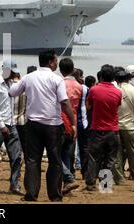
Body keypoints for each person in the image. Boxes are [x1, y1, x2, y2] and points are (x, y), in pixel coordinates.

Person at [9, 49, 75, 202]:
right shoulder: (56, 79)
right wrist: (72, 123)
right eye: (56, 61)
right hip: (53, 125)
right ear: (51, 62)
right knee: (55, 161)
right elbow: (64, 102)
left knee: (32, 160)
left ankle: (31, 194)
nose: (57, 63)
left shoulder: (28, 77)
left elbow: (12, 92)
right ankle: (55, 195)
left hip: (33, 125)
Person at [0, 59, 23, 195]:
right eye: (13, 72)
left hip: (11, 124)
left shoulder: (11, 85)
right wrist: (2, 125)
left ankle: (14, 185)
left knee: (16, 156)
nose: (15, 75)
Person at [85, 64, 122, 192]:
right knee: (110, 159)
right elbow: (117, 106)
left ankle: (91, 184)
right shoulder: (118, 92)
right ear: (113, 78)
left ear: (101, 76)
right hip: (113, 129)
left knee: (94, 157)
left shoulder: (94, 89)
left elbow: (88, 106)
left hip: (97, 129)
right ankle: (105, 185)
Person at [58, 58, 81, 194]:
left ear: (60, 70)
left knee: (55, 154)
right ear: (73, 69)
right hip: (73, 124)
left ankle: (68, 178)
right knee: (66, 154)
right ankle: (67, 182)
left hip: (61, 121)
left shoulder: (60, 84)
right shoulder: (79, 86)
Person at [112, 67, 134, 185]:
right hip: (130, 127)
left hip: (116, 127)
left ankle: (119, 179)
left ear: (116, 79)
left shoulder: (114, 90)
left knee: (117, 154)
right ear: (128, 79)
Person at [72, 69, 89, 179]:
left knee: (69, 148)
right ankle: (85, 172)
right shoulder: (85, 88)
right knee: (84, 148)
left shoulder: (64, 85)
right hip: (83, 122)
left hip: (70, 121)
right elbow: (88, 105)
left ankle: (71, 171)